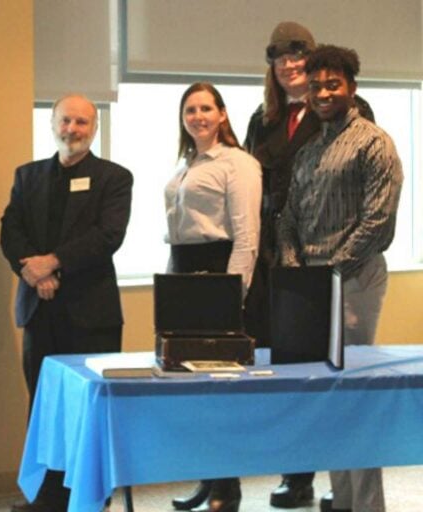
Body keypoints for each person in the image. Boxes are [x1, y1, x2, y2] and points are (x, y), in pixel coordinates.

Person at [243, 22, 375, 509]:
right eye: (280, 60)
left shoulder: (341, 114)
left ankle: (328, 484)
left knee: (334, 376)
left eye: (299, 58)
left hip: (331, 257)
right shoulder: (263, 120)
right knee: (286, 370)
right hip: (273, 255)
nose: (290, 67)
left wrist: (324, 258)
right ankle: (295, 474)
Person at [278, 45, 403, 512]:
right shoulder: (310, 149)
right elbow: (289, 215)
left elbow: (378, 222)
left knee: (356, 399)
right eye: (316, 86)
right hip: (311, 285)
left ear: (351, 87)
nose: (324, 92)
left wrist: (331, 269)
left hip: (354, 280)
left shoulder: (374, 142)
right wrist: (294, 264)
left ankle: (368, 505)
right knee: (330, 399)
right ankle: (343, 501)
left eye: (333, 84)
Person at [0, 94, 133, 512]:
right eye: (65, 120)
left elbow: (107, 236)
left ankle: (91, 497)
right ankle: (46, 497)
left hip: (90, 313)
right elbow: (11, 231)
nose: (72, 129)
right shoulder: (28, 176)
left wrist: (52, 264)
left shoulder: (114, 178)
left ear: (94, 128)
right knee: (44, 406)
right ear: (52, 123)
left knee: (89, 410)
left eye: (82, 122)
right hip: (39, 311)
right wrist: (31, 271)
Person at [165, 82, 261, 512]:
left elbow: (247, 237)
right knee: (193, 386)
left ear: (222, 114)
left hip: (219, 273)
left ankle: (228, 488)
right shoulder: (187, 164)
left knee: (222, 389)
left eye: (206, 108)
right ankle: (207, 477)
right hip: (184, 270)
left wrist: (233, 294)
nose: (197, 116)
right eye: (190, 109)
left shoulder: (237, 163)